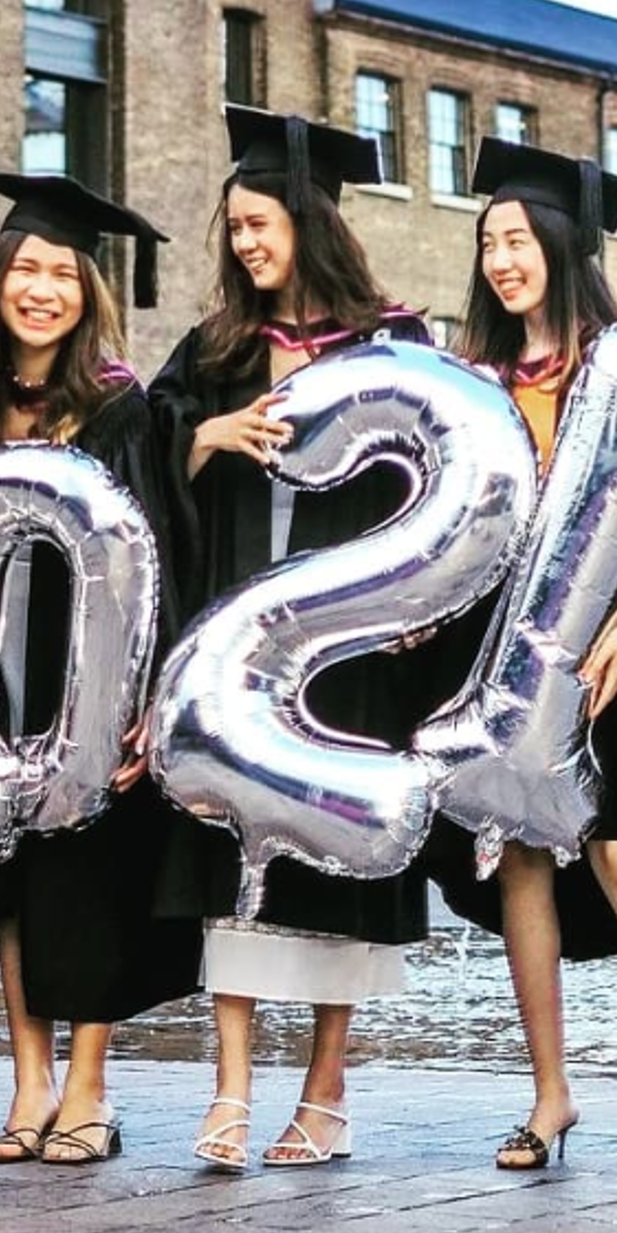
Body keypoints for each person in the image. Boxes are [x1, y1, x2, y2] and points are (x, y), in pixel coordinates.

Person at [147, 106, 448, 1170]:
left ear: (308, 223)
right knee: (232, 856)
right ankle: (228, 1091)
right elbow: (143, 460)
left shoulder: (396, 346)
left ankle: (322, 1094)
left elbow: (445, 492)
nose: (243, 244)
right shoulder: (218, 351)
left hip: (350, 655)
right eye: (232, 226)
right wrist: (204, 439)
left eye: (259, 223)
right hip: (236, 649)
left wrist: (417, 608)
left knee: (333, 869)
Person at [417, 138, 617, 1171]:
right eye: (486, 242)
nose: (501, 259)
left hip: (603, 649)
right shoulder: (478, 382)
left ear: (555, 244)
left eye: (516, 239)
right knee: (521, 865)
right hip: (505, 649)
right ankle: (548, 1100)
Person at [0, 171, 201, 1168]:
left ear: (88, 293)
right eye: (23, 267)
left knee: (87, 882)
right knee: (7, 883)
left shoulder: (118, 409)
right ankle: (26, 1085)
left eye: (60, 272)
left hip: (87, 675)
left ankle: (87, 1090)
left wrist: (144, 699)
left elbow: (152, 551)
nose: (38, 287)